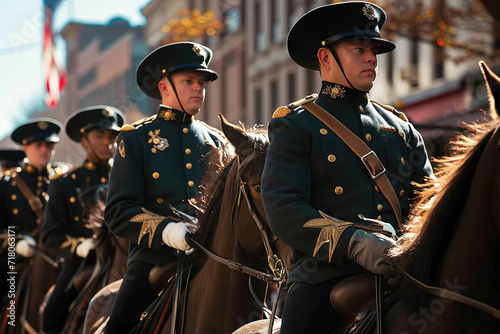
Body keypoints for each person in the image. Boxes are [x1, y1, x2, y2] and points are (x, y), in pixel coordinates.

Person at [261, 2, 435, 333]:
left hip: (407, 271)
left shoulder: (401, 127)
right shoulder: (298, 125)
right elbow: (283, 207)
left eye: (374, 50)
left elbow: (429, 201)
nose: (372, 58)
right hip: (325, 275)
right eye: (359, 49)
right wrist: (353, 242)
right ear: (326, 58)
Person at [104, 41, 226, 333]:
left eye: (201, 82)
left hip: (214, 256)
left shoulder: (218, 141)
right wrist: (166, 232)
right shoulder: (135, 138)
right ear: (164, 87)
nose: (198, 88)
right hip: (154, 258)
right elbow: (119, 211)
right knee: (120, 326)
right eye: (188, 81)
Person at [41, 106, 125, 333]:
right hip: (83, 262)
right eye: (99, 136)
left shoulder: (125, 178)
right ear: (84, 142)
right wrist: (78, 247)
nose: (107, 142)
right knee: (52, 313)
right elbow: (50, 236)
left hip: (126, 257)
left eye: (112, 136)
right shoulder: (64, 183)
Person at [0, 118, 61, 324]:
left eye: (49, 145)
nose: (44, 150)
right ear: (26, 147)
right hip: (15, 261)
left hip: (59, 256)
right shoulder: (6, 185)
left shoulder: (63, 182)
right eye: (38, 145)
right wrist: (16, 243)